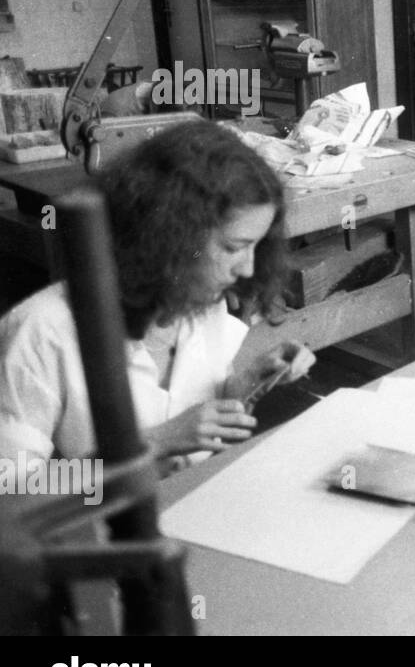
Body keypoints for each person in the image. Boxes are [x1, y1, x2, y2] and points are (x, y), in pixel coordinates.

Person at [0, 121, 315, 472]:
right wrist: (157, 441)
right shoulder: (42, 330)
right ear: (168, 237)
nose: (247, 269)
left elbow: (190, 428)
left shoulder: (200, 303)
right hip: (94, 525)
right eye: (233, 247)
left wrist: (242, 388)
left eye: (257, 246)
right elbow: (12, 496)